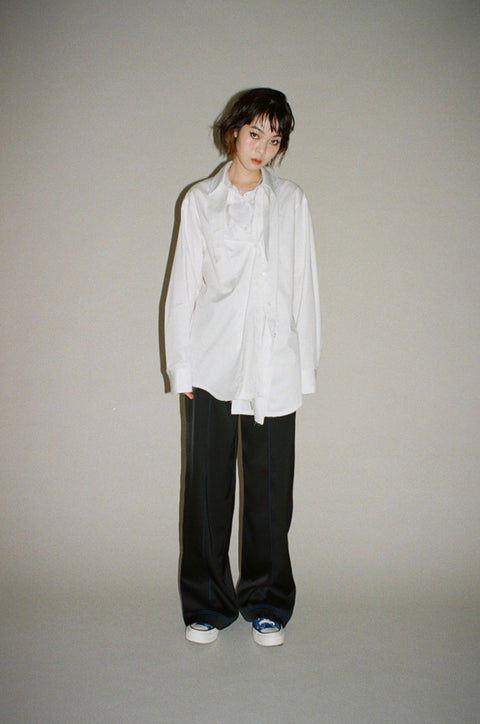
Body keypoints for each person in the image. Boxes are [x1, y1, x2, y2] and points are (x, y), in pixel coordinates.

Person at [165, 88, 320, 646]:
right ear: (233, 131)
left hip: (273, 366)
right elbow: (184, 287)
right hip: (211, 364)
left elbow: (304, 285)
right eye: (255, 133)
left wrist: (304, 369)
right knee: (206, 488)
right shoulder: (200, 201)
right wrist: (182, 368)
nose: (263, 147)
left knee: (271, 492)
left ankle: (267, 600)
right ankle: (207, 603)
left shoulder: (292, 201)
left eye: (274, 139)